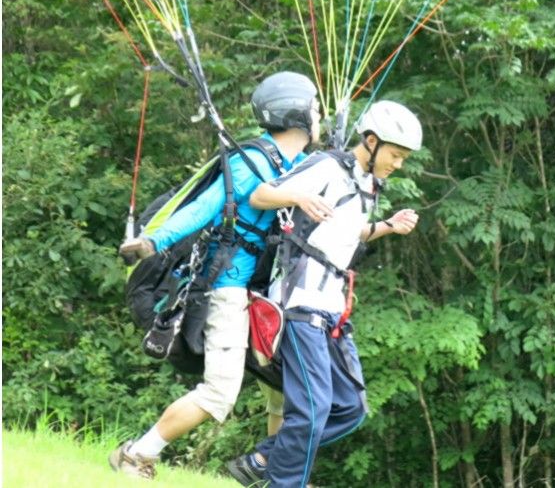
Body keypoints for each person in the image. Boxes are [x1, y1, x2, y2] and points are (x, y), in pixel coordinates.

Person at [109, 71, 321, 480]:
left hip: (267, 296)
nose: (318, 116)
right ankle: (136, 453)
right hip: (227, 290)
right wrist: (152, 241)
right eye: (314, 108)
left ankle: (279, 475)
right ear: (296, 114)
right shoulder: (254, 161)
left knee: (284, 386)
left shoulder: (301, 165)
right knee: (220, 391)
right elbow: (204, 207)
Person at [226, 100, 423, 488]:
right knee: (312, 410)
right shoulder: (327, 166)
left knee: (350, 408)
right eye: (396, 155)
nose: (398, 164)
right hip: (300, 303)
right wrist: (297, 197)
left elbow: (344, 236)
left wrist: (386, 226)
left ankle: (265, 457)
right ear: (371, 141)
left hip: (333, 310)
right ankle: (284, 483)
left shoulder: (366, 185)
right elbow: (260, 196)